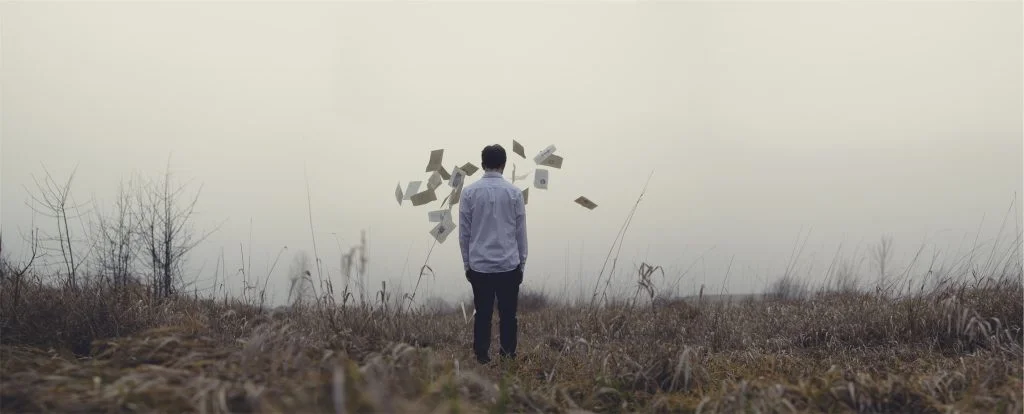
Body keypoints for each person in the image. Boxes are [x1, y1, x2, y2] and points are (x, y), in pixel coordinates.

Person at [458, 144, 527, 364]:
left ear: (482, 164)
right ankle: (508, 357)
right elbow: (520, 233)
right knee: (508, 316)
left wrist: (468, 265)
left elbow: (464, 234)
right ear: (503, 165)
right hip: (509, 264)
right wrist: (521, 263)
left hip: (480, 265)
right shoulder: (515, 193)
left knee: (483, 314)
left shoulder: (468, 193)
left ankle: (482, 357)